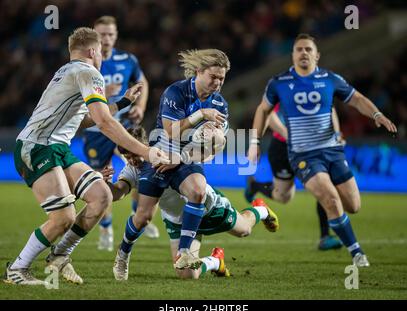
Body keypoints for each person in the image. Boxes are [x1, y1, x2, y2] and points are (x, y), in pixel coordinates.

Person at [3, 27, 168, 285]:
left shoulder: (66, 72)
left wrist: (122, 102)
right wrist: (145, 150)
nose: (103, 56)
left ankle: (59, 256)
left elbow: (84, 120)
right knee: (63, 218)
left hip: (56, 148)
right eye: (101, 51)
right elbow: (103, 123)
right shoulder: (90, 73)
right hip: (37, 147)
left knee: (101, 195)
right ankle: (17, 269)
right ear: (93, 51)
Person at [247, 33, 397, 267]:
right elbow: (263, 110)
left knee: (353, 206)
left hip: (333, 152)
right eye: (299, 49)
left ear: (317, 55)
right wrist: (254, 142)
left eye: (308, 49)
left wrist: (376, 114)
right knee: (330, 198)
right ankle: (356, 252)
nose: (304, 53)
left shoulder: (330, 79)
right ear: (293, 55)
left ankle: (331, 233)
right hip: (303, 155)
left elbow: (355, 99)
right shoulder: (279, 82)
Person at [98, 127, 279, 280]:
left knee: (244, 230)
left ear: (144, 145)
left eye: (133, 154)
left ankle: (260, 209)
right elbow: (119, 191)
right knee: (186, 274)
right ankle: (216, 261)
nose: (131, 160)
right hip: (178, 221)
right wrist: (105, 185)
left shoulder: (167, 152)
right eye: (126, 156)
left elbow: (200, 156)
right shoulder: (133, 170)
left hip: (205, 208)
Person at [114, 49, 231, 272]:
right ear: (199, 72)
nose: (217, 82)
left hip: (184, 160)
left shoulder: (221, 105)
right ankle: (123, 253)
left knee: (198, 190)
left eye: (222, 78)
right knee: (144, 216)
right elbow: (171, 131)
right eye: (213, 77)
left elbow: (214, 149)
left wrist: (199, 146)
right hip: (160, 154)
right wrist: (201, 115)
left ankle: (185, 253)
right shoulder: (176, 92)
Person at [83, 16, 159, 251]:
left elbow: (142, 82)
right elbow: (75, 99)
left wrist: (140, 107)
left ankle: (140, 218)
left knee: (139, 169)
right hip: (96, 130)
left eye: (110, 34)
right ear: (93, 35)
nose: (106, 39)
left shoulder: (127, 60)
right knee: (101, 179)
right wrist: (102, 91)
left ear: (116, 36)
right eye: (102, 34)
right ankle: (106, 227)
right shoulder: (84, 63)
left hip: (124, 127)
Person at [245, 103, 343, 250]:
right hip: (283, 148)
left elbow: (331, 108)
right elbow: (268, 114)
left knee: (324, 187)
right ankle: (255, 186)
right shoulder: (283, 84)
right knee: (284, 197)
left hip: (311, 148)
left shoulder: (319, 84)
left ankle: (325, 236)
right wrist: (288, 135)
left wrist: (337, 133)